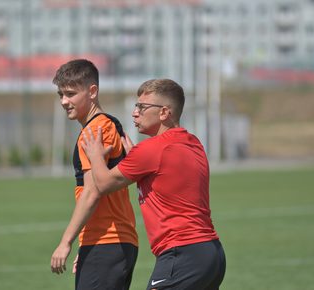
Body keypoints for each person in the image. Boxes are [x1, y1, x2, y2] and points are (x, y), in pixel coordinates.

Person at [81, 79, 226, 290]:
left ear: (165, 112)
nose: (134, 113)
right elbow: (166, 178)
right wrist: (136, 160)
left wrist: (95, 156)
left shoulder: (151, 149)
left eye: (142, 107)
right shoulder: (193, 142)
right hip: (212, 255)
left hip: (181, 255)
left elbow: (103, 184)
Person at [50, 59, 138, 290]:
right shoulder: (108, 125)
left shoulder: (94, 131)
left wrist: (65, 242)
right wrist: (86, 243)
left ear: (92, 91)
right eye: (61, 94)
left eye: (70, 93)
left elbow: (92, 192)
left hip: (108, 242)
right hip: (108, 242)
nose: (64, 101)